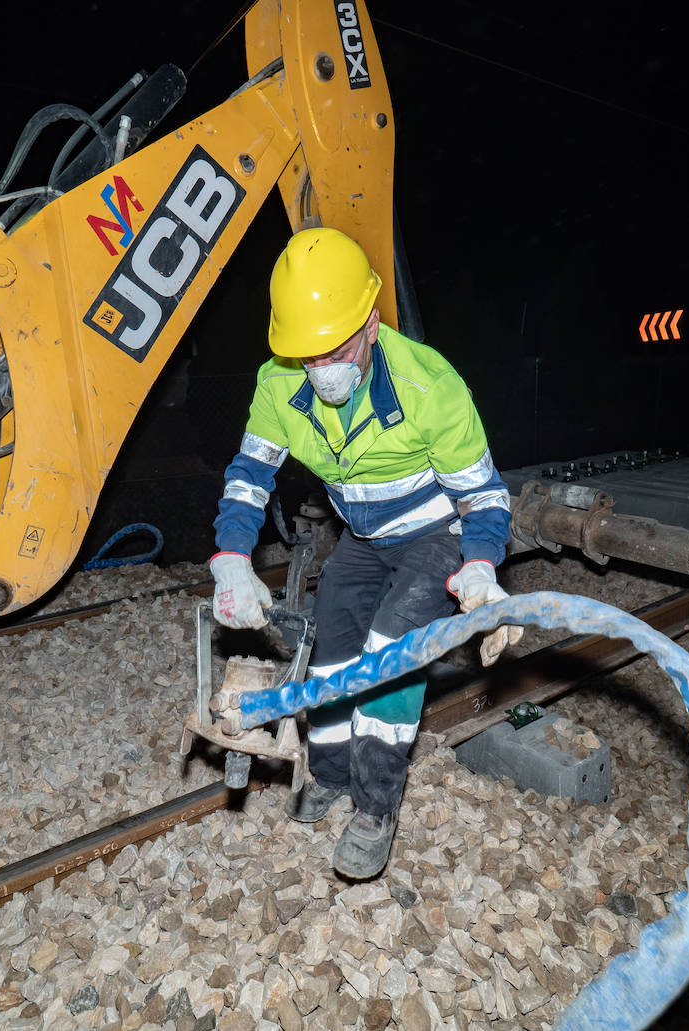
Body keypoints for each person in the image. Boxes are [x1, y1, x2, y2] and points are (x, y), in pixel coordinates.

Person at [209, 227, 523, 879]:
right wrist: (232, 556)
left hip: (437, 534)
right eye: (307, 354)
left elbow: (484, 498)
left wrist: (483, 565)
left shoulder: (430, 388)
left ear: (372, 325)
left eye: (337, 348)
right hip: (365, 536)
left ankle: (376, 806)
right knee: (332, 647)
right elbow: (249, 475)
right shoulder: (277, 386)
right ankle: (325, 772)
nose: (322, 367)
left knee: (387, 655)